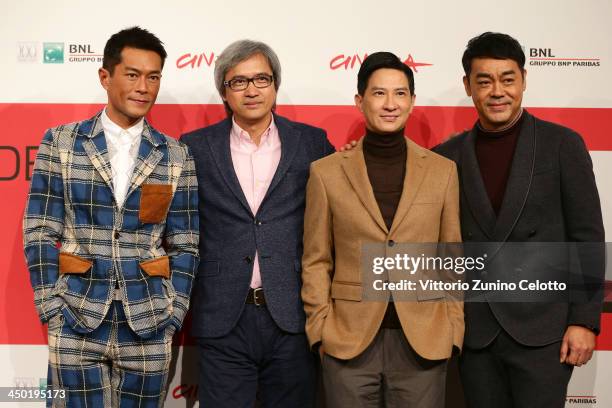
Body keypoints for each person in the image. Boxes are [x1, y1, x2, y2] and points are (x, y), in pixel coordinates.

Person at [22, 26, 199, 407]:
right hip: (76, 316)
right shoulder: (62, 142)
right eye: (133, 75)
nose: (143, 87)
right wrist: (52, 307)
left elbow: (185, 241)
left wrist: (174, 312)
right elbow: (39, 230)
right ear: (105, 77)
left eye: (153, 77)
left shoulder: (175, 154)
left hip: (149, 320)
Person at [433, 32, 605, 408]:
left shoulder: (562, 144)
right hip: (476, 334)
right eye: (485, 81)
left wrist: (584, 320)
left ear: (523, 80)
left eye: (508, 79)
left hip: (543, 333)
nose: (498, 91)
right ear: (468, 85)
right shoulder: (446, 156)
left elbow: (587, 236)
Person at [301, 51, 464, 408]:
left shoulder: (442, 171)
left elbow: (451, 257)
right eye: (378, 93)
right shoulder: (326, 172)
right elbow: (316, 259)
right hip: (348, 343)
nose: (390, 104)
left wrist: (453, 329)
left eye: (400, 93)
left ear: (412, 101)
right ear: (360, 101)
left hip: (424, 341)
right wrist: (320, 330)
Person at [180, 39, 335, 408]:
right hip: (223, 317)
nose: (252, 90)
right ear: (224, 92)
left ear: (275, 85)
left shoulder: (312, 143)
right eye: (239, 81)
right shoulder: (194, 147)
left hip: (292, 314)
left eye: (261, 79)